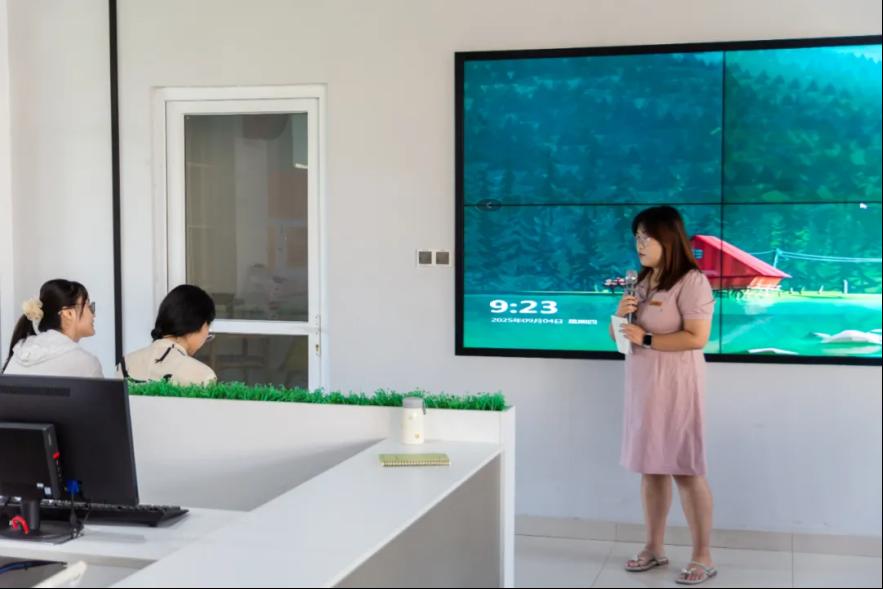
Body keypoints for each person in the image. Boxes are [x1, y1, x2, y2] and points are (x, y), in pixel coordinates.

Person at [609, 205, 717, 585]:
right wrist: (620, 314)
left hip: (677, 388)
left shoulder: (691, 281)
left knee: (685, 470)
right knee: (651, 468)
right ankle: (654, 548)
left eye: (647, 238)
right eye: (637, 237)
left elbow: (697, 337)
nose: (639, 244)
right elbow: (622, 338)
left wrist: (649, 338)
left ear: (668, 239)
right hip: (643, 388)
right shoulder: (642, 281)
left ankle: (702, 556)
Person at [117, 284, 217, 386]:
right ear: (199, 324)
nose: (207, 334)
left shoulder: (125, 364)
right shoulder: (203, 375)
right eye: (208, 325)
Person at [2, 279, 102, 377]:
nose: (94, 314)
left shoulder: (18, 355)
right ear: (69, 313)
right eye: (89, 306)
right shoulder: (87, 365)